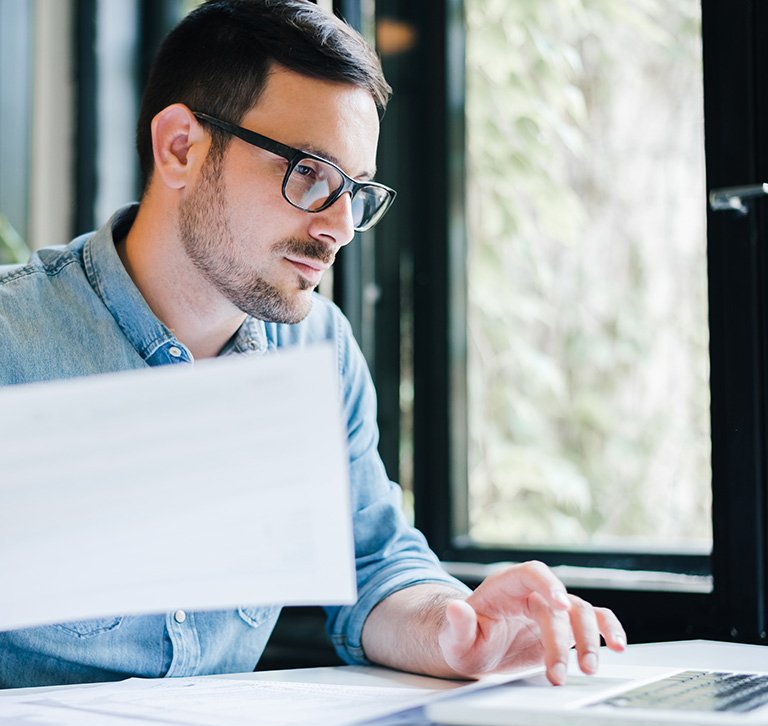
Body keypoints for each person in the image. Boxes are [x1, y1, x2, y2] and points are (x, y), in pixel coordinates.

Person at [0, 0, 625, 689]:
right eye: (309, 174)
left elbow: (371, 563)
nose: (340, 226)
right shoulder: (13, 341)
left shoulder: (319, 352)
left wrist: (457, 629)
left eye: (356, 191)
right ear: (181, 147)